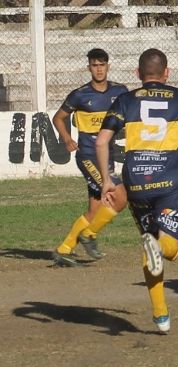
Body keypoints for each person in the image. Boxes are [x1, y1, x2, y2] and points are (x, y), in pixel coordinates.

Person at [95, 48, 178, 333]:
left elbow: (101, 142)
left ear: (138, 73)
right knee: (168, 249)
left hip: (136, 182)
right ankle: (159, 249)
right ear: (167, 73)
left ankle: (161, 315)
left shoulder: (124, 100)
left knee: (149, 243)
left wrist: (106, 180)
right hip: (171, 182)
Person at [52, 48, 129, 267]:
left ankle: (64, 249)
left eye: (102, 65)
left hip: (106, 156)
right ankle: (89, 235)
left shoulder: (120, 91)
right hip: (87, 156)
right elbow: (58, 118)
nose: (99, 69)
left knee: (95, 210)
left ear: (108, 66)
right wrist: (67, 139)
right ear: (89, 68)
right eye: (95, 65)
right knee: (119, 196)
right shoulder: (80, 95)